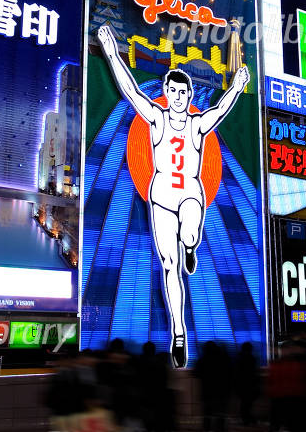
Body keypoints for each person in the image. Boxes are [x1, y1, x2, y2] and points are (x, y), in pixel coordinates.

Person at [98, 24, 249, 367]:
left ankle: (192, 244)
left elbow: (221, 110)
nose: (178, 97)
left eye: (183, 92)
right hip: (162, 196)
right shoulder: (156, 119)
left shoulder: (197, 125)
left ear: (190, 96)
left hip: (191, 194)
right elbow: (132, 90)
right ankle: (179, 332)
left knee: (190, 232)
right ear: (167, 92)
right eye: (173, 91)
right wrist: (110, 51)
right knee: (170, 264)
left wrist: (238, 85)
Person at [196, 341, 232, 432]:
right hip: (222, 391)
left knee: (207, 412)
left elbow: (197, 373)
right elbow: (230, 372)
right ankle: (220, 428)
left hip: (207, 390)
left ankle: (207, 428)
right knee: (220, 413)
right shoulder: (224, 358)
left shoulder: (203, 359)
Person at [233, 341, 261, 427]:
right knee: (247, 405)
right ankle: (250, 421)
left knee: (244, 405)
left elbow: (237, 373)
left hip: (242, 386)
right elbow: (253, 373)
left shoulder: (239, 358)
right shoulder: (251, 358)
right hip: (250, 385)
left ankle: (248, 421)